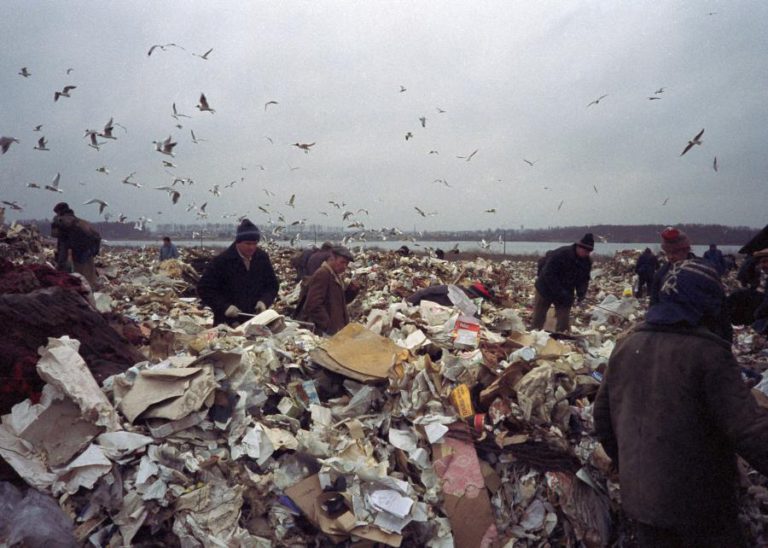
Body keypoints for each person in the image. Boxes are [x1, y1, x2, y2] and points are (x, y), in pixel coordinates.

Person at [594, 258, 768, 547]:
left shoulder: (627, 345)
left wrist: (631, 468)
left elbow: (602, 419)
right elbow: (747, 429)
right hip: (699, 507)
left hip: (641, 502)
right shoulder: (709, 354)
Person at [197, 219, 279, 326]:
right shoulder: (222, 261)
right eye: (247, 243)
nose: (252, 247)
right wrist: (224, 307)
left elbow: (272, 285)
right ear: (238, 242)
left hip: (256, 320)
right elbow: (204, 289)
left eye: (255, 243)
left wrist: (264, 301)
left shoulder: (261, 258)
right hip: (227, 322)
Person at [530, 233, 594, 332]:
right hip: (545, 288)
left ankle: (561, 338)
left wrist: (581, 293)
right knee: (538, 319)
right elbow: (548, 274)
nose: (587, 253)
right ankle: (533, 336)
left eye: (589, 252)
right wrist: (560, 291)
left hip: (566, 292)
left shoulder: (586, 262)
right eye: (585, 251)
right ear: (579, 247)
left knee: (563, 322)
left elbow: (583, 280)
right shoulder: (561, 254)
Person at [296, 245, 360, 335]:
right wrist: (327, 325)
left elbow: (338, 302)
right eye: (342, 262)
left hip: (336, 330)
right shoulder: (323, 274)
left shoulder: (334, 275)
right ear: (332, 258)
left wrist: (352, 291)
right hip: (327, 332)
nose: (344, 266)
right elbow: (313, 305)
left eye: (346, 264)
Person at [50, 202, 101, 287]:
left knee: (79, 269)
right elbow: (96, 236)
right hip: (90, 245)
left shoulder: (61, 220)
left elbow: (57, 236)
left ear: (59, 211)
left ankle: (80, 286)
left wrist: (61, 262)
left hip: (79, 246)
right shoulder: (79, 221)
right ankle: (91, 285)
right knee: (89, 268)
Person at [649, 227, 694, 306]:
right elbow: (654, 303)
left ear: (686, 250)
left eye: (675, 252)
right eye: (667, 252)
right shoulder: (661, 274)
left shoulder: (703, 272)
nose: (670, 257)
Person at [406, 281, 497, 308]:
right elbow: (426, 291)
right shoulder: (452, 290)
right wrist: (408, 303)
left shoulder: (467, 303)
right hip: (419, 306)